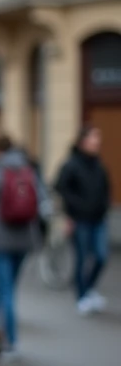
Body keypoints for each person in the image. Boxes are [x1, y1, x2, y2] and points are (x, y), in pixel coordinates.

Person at [0, 132, 50, 361]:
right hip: (24, 238)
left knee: (1, 291)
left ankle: (6, 339)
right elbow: (40, 199)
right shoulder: (28, 170)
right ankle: (9, 340)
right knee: (10, 289)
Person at [55, 125, 112, 314]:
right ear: (82, 142)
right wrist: (72, 212)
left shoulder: (97, 163)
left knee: (101, 256)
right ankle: (81, 296)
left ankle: (89, 288)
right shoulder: (71, 164)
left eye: (98, 138)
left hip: (98, 218)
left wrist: (104, 206)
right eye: (93, 138)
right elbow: (60, 187)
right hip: (80, 219)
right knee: (81, 258)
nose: (96, 142)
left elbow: (105, 188)